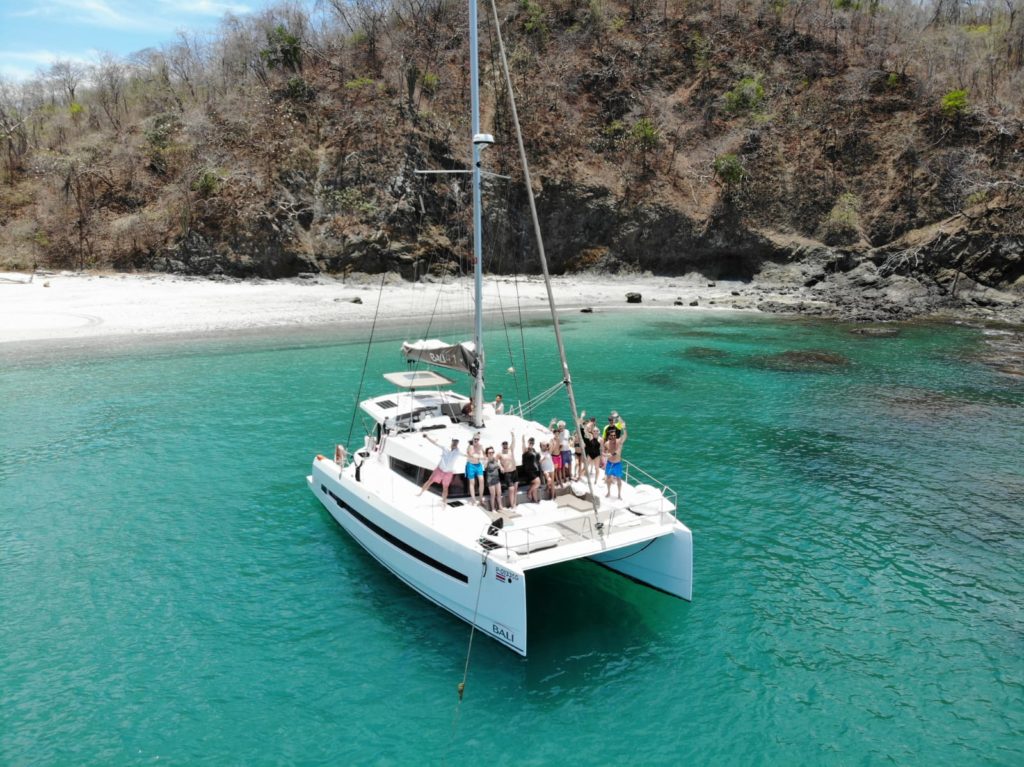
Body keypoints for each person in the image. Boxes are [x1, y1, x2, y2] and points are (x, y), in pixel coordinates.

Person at [419, 435, 461, 504]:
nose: (455, 443)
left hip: (448, 472)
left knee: (445, 488)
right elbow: (434, 443)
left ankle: (444, 501)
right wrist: (427, 437)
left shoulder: (458, 452)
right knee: (430, 481)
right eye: (454, 441)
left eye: (456, 442)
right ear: (452, 442)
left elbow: (467, 455)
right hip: (440, 469)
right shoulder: (445, 448)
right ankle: (421, 492)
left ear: (457, 443)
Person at [603, 422, 628, 499]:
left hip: (617, 464)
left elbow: (625, 436)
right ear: (609, 436)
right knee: (608, 479)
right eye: (611, 435)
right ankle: (608, 492)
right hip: (610, 463)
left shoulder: (619, 442)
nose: (613, 437)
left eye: (614, 435)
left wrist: (624, 428)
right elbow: (603, 452)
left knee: (619, 480)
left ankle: (619, 494)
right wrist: (605, 455)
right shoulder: (607, 443)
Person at [498, 432, 518, 509]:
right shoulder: (500, 453)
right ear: (502, 445)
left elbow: (513, 442)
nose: (505, 445)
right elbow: (496, 461)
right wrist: (501, 467)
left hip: (515, 471)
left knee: (515, 488)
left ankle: (514, 503)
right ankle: (512, 505)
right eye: (504, 444)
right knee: (511, 489)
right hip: (507, 473)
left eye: (506, 443)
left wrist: (513, 435)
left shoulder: (510, 450)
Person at [520, 435, 542, 503]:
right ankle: (529, 492)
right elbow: (523, 446)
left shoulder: (534, 450)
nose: (531, 444)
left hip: (535, 470)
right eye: (530, 443)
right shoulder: (526, 450)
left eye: (532, 443)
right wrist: (523, 439)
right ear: (528, 443)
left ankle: (535, 500)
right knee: (538, 482)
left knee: (534, 486)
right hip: (529, 471)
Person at [465, 433, 485, 504]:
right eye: (475, 439)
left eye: (477, 439)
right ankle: (473, 499)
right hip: (471, 465)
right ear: (472, 439)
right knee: (472, 482)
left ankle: (480, 498)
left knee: (481, 480)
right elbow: (472, 455)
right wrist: (480, 456)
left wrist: (485, 457)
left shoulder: (481, 446)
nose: (476, 440)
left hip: (478, 465)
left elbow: (484, 454)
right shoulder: (470, 447)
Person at [484, 447, 504, 511]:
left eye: (492, 452)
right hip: (490, 479)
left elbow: (498, 464)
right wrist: (486, 461)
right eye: (489, 453)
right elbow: (484, 467)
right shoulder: (486, 460)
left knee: (499, 493)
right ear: (487, 454)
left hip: (497, 478)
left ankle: (500, 507)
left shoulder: (495, 459)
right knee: (493, 495)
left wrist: (501, 467)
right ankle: (493, 509)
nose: (491, 454)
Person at [557, 420, 572, 485]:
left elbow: (569, 439)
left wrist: (570, 443)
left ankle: (570, 476)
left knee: (570, 463)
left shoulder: (567, 431)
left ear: (564, 426)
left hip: (568, 450)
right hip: (562, 451)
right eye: (559, 426)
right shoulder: (557, 433)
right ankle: (564, 478)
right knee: (563, 466)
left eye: (561, 426)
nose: (560, 427)